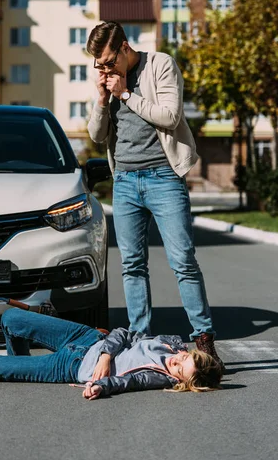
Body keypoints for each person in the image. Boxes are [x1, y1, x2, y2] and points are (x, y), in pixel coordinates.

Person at [86, 21, 223, 367]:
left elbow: (171, 116)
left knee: (183, 261)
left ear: (124, 48)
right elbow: (97, 135)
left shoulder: (159, 64)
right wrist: (103, 100)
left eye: (107, 61)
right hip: (126, 183)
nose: (104, 69)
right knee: (132, 265)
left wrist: (127, 95)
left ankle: (203, 339)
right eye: (98, 65)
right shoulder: (108, 83)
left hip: (164, 177)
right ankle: (141, 339)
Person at [0, 308, 222, 398]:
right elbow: (123, 333)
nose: (176, 360)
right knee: (10, 318)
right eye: (185, 357)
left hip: (69, 366)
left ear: (179, 381)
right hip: (85, 337)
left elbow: (126, 382)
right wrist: (105, 355)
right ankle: (19, 361)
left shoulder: (158, 377)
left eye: (178, 368)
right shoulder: (170, 343)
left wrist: (99, 387)